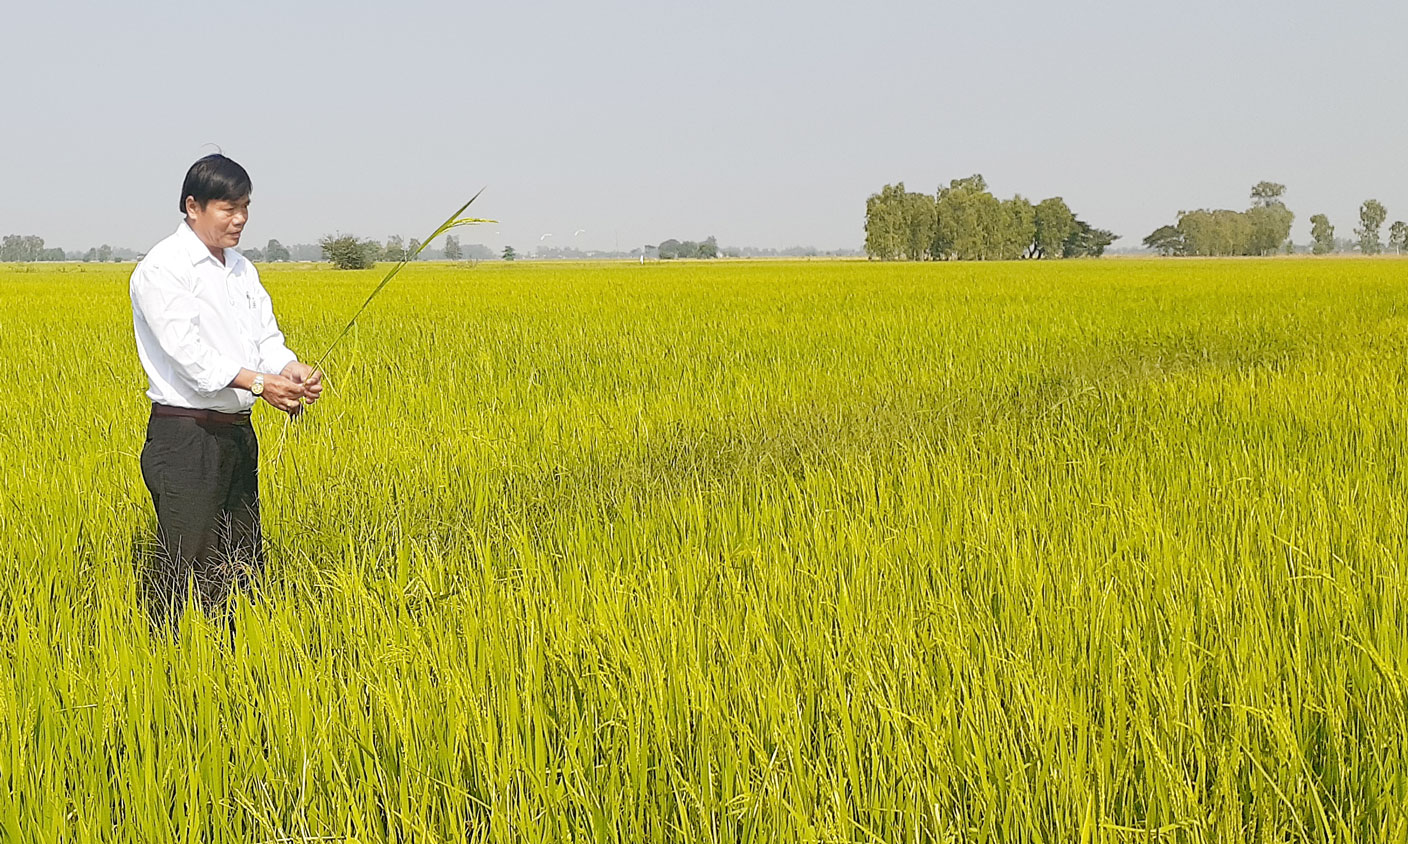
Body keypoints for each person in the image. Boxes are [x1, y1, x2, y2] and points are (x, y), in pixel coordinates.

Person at [130, 153, 323, 624]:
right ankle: (174, 671)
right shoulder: (163, 269)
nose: (240, 219)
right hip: (186, 437)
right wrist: (261, 383)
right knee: (188, 572)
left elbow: (265, 340)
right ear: (193, 206)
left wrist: (290, 368)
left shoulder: (241, 269)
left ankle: (237, 665)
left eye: (245, 207)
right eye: (228, 208)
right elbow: (190, 355)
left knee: (243, 565)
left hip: (236, 433)